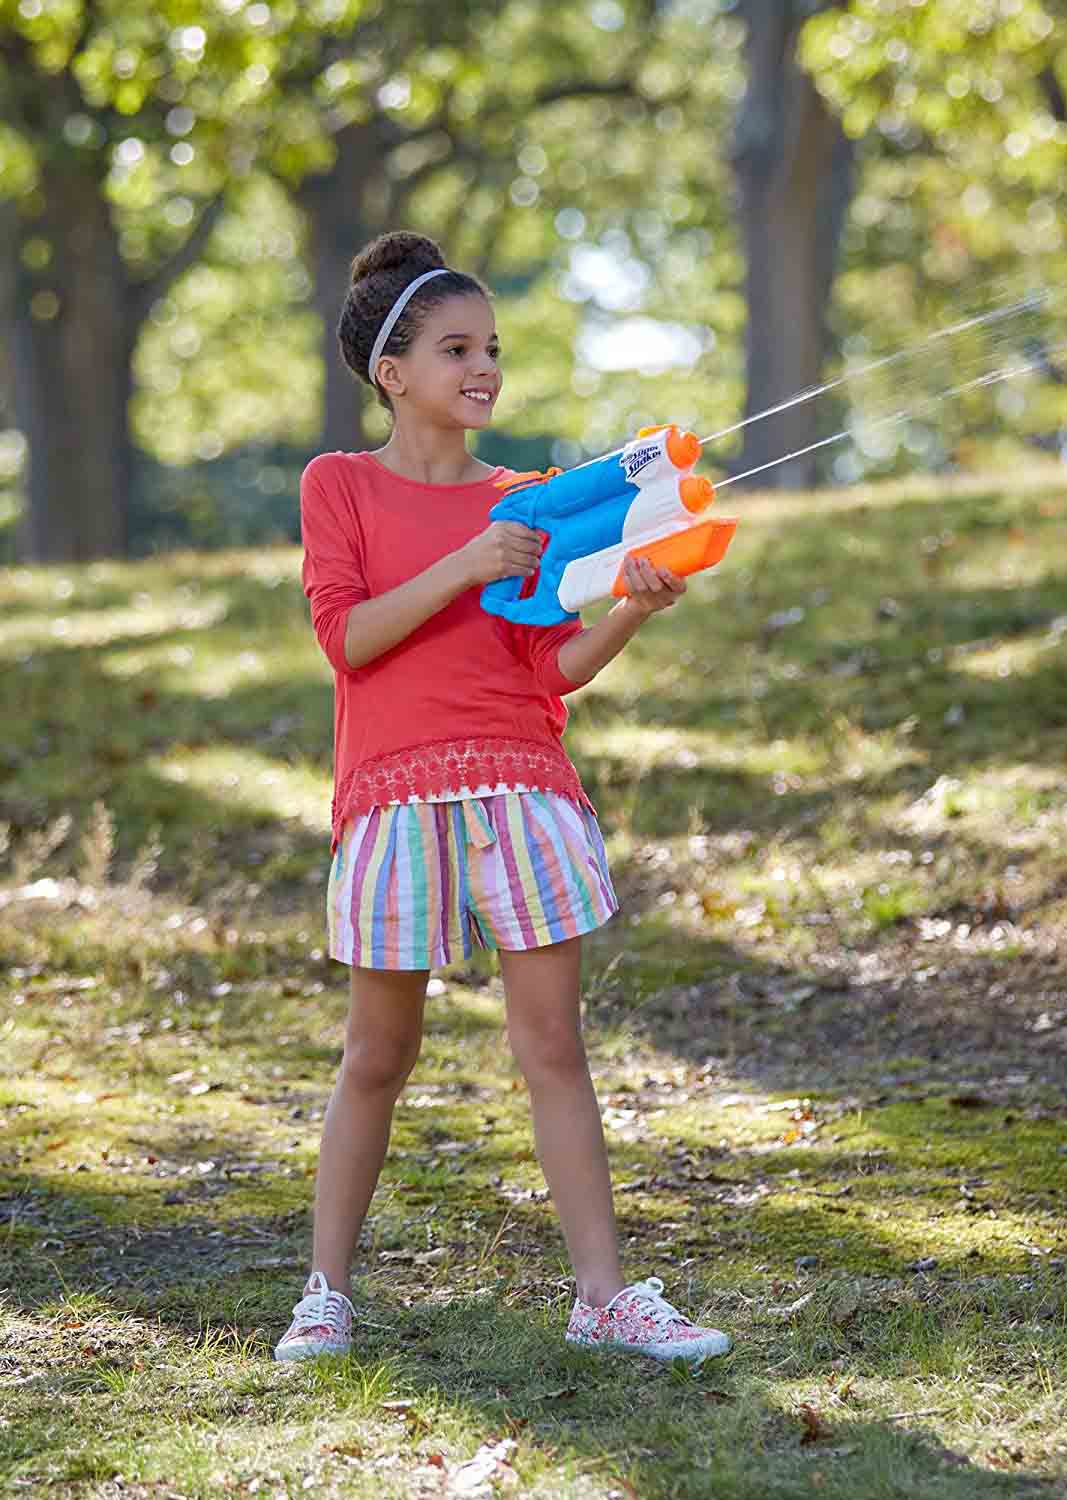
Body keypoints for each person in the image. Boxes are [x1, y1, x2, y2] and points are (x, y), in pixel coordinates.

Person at [276, 230, 729, 1367]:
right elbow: (348, 639)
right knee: (377, 1056)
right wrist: (468, 564)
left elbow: (550, 665)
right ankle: (325, 1292)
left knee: (553, 1049)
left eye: (492, 348)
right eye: (456, 348)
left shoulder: (527, 499)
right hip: (392, 804)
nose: (484, 367)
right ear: (393, 373)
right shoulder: (341, 486)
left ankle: (605, 1297)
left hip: (523, 789)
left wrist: (629, 605)